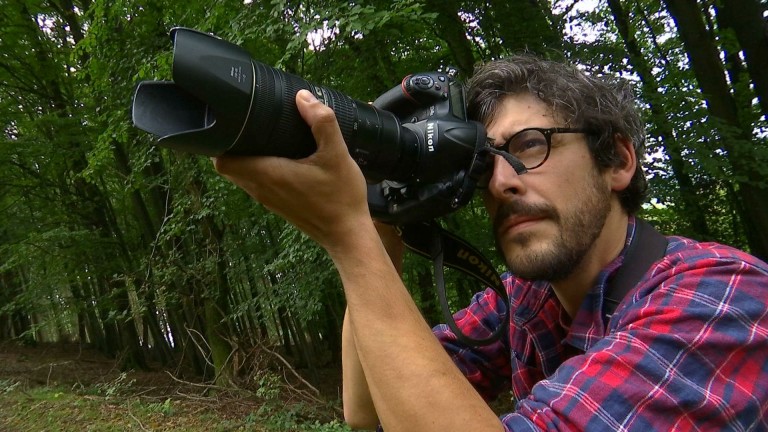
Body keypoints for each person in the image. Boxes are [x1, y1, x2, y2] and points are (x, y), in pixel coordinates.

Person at [214, 54, 768, 431]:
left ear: (618, 161)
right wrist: (376, 221)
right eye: (485, 165)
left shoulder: (724, 299)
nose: (501, 183)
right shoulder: (529, 299)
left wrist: (347, 236)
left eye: (530, 146)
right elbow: (368, 408)